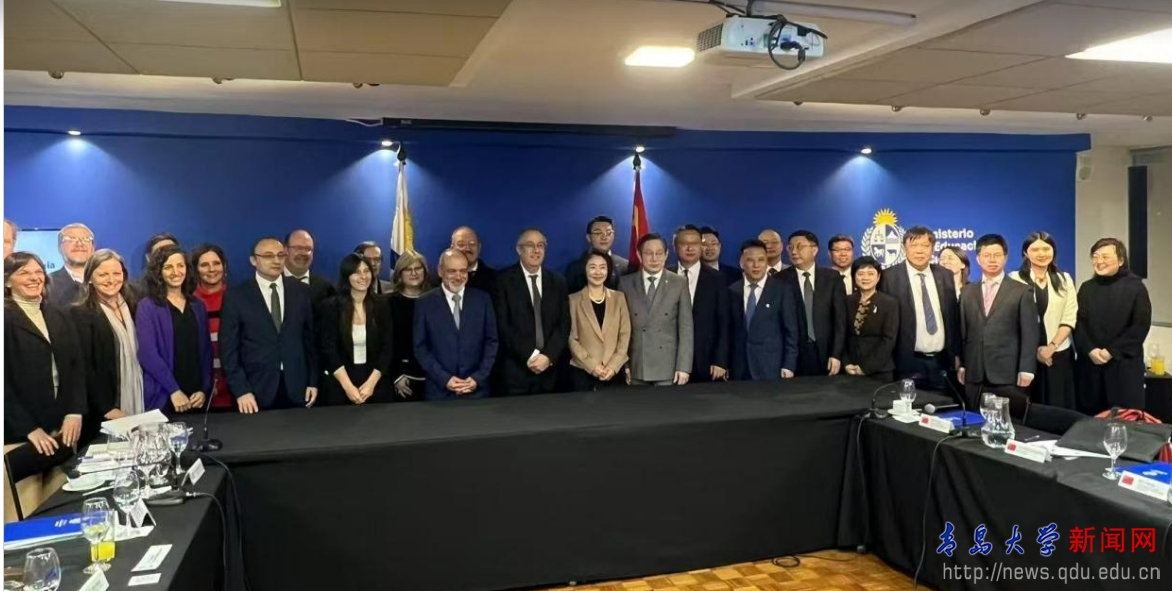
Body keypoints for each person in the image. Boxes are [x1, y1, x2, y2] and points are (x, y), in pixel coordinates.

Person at [3, 252, 85, 522]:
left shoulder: (58, 314)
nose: (34, 277)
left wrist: (74, 411)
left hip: (59, 430)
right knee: (24, 519)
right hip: (19, 437)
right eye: (24, 272)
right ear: (7, 281)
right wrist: (28, 428)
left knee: (57, 512)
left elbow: (76, 366)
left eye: (38, 272)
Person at [220, 237, 319, 412]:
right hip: (255, 391)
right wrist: (241, 390)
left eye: (281, 255)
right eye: (268, 256)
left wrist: (313, 381)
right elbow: (228, 350)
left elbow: (309, 340)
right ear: (253, 260)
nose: (276, 260)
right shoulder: (236, 296)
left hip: (298, 388)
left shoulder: (301, 291)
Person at [70, 250, 144, 444]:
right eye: (103, 274)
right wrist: (107, 408)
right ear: (90, 278)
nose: (111, 280)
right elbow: (83, 368)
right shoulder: (80, 314)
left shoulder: (135, 306)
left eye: (116, 273)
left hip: (142, 401)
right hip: (103, 413)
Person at [957, 234, 1038, 407]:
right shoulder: (967, 292)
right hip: (974, 372)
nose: (992, 260)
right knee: (974, 419)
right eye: (987, 255)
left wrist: (1027, 368)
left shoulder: (1022, 291)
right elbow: (963, 332)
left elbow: (1030, 334)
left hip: (1007, 373)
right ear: (978, 259)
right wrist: (962, 365)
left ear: (1005, 258)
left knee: (1007, 419)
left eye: (997, 255)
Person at [1074, 238, 1152, 414]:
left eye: (1105, 256)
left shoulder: (1136, 287)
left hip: (1123, 368)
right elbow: (1078, 323)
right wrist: (1090, 349)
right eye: (1095, 256)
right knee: (1089, 420)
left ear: (1121, 260)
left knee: (1124, 419)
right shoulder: (1086, 288)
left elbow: (1140, 326)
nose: (1099, 261)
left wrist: (1111, 351)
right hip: (1090, 367)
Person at [879, 226, 961, 390]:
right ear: (904, 248)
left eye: (925, 246)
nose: (919, 251)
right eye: (914, 245)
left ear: (932, 249)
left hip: (942, 362)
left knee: (942, 405)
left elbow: (953, 318)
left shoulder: (945, 275)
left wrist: (957, 355)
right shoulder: (889, 277)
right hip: (906, 362)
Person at [135, 245, 213, 415]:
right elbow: (147, 354)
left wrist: (203, 389)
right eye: (168, 267)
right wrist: (174, 390)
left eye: (180, 266)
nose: (176, 272)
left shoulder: (197, 305)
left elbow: (206, 352)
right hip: (165, 395)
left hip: (196, 397)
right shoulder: (147, 307)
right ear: (158, 272)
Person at [493, 229, 570, 395]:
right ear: (519, 249)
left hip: (551, 373)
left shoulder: (558, 281)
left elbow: (564, 325)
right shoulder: (503, 281)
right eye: (530, 245)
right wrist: (531, 356)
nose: (536, 250)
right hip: (516, 373)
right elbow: (503, 325)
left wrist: (548, 357)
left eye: (540, 245)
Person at [413, 249, 498, 399]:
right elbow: (420, 347)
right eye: (452, 271)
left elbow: (491, 341)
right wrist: (445, 379)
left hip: (477, 391)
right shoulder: (424, 303)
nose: (458, 276)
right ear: (440, 271)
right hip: (439, 393)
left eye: (463, 271)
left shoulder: (483, 300)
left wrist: (478, 377)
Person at [1010, 232, 1078, 409]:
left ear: (1053, 251)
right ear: (1025, 253)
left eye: (1046, 249)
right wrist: (1035, 351)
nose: (1041, 253)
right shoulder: (1014, 279)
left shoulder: (1064, 279)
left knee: (1058, 406)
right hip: (1025, 357)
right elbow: (1011, 320)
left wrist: (1051, 347)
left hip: (1058, 353)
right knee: (1029, 407)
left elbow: (1070, 316)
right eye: (1035, 249)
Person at [619, 233, 693, 386]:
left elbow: (686, 328)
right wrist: (624, 364)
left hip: (667, 366)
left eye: (659, 253)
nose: (654, 259)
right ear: (639, 255)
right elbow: (620, 328)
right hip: (637, 364)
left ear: (666, 254)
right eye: (648, 253)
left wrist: (684, 367)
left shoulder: (678, 282)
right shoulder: (626, 283)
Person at [319, 254, 394, 405]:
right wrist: (348, 387)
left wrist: (371, 384)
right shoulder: (331, 307)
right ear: (347, 276)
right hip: (341, 384)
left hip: (375, 384)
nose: (363, 276)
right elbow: (329, 349)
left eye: (366, 271)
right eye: (357, 272)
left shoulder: (381, 304)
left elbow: (387, 347)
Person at [779, 230, 848, 377]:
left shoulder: (832, 278)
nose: (794, 252)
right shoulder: (780, 280)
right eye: (790, 247)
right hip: (794, 355)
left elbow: (840, 321)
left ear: (814, 250)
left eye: (799, 247)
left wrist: (836, 354)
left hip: (826, 353)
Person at [729, 239, 799, 380]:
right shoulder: (732, 290)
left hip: (771, 367)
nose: (756, 265)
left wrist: (789, 364)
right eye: (750, 260)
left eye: (761, 260)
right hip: (739, 368)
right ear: (742, 263)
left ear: (767, 262)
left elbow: (791, 331)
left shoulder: (782, 290)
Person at [672, 225, 730, 382]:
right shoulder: (666, 275)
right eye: (685, 244)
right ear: (675, 247)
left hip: (707, 361)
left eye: (695, 243)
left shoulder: (718, 279)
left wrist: (720, 360)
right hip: (671, 359)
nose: (690, 248)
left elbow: (724, 322)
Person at [567, 250, 631, 391]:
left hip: (614, 372)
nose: (598, 272)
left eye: (602, 267)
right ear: (584, 270)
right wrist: (593, 366)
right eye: (592, 267)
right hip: (583, 372)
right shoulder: (573, 300)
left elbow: (625, 335)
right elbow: (572, 338)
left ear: (608, 271)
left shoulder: (619, 298)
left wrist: (613, 366)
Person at [191, 244, 235, 411]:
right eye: (204, 265)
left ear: (224, 266)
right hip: (198, 393)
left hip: (235, 390)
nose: (211, 269)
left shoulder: (239, 298)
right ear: (195, 269)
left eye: (216, 263)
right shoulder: (188, 302)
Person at [842, 256, 898, 382]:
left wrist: (866, 368)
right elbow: (841, 334)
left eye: (871, 274)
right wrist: (846, 363)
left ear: (878, 277)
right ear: (854, 276)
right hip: (850, 369)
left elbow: (889, 340)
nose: (865, 278)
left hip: (879, 370)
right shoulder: (846, 301)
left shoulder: (889, 303)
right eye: (860, 273)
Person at [386, 251, 430, 401]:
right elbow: (386, 343)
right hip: (402, 377)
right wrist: (396, 375)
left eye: (418, 268)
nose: (413, 273)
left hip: (434, 376)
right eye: (408, 269)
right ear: (399, 273)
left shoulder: (436, 299)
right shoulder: (388, 303)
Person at [565, 216, 631, 292]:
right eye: (598, 233)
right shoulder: (575, 268)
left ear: (614, 236)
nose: (604, 237)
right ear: (588, 238)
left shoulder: (625, 266)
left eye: (609, 233)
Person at [285, 229, 337, 310]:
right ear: (285, 250)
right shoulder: (271, 282)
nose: (303, 253)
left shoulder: (325, 288)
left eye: (308, 249)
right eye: (298, 248)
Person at [47, 223, 95, 307]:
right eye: (71, 239)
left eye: (86, 239)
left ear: (93, 248)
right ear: (59, 248)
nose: (80, 244)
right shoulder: (47, 284)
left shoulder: (110, 280)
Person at [452, 226, 498, 293]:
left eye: (472, 244)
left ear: (479, 248)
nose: (467, 248)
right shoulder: (440, 279)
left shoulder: (497, 280)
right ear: (452, 248)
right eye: (461, 244)